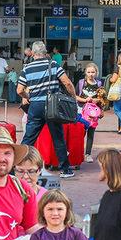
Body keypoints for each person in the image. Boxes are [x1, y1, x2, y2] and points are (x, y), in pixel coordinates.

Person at [18, 40, 77, 178]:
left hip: (35, 106)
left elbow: (19, 89)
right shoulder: (54, 65)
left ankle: (16, 166)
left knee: (28, 139)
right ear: (45, 53)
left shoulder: (26, 68)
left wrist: (28, 96)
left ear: (32, 53)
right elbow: (67, 83)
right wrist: (73, 97)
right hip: (52, 106)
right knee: (58, 138)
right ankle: (65, 169)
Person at [76, 63, 102, 162]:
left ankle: (88, 154)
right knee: (80, 132)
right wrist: (85, 100)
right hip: (81, 110)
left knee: (91, 133)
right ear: (85, 73)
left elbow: (101, 98)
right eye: (89, 72)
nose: (91, 74)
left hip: (93, 113)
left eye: (93, 72)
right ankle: (78, 152)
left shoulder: (99, 84)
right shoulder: (81, 82)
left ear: (96, 73)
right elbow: (75, 96)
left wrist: (98, 102)